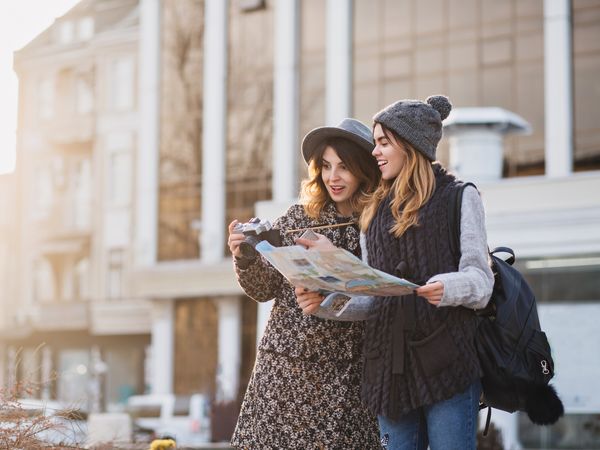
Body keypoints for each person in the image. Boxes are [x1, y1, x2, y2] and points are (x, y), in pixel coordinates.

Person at [296, 96, 494, 450]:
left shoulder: (460, 197)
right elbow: (376, 298)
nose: (375, 152)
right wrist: (327, 302)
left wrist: (446, 287)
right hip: (389, 372)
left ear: (411, 145)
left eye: (384, 142)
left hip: (447, 365)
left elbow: (481, 282)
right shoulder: (373, 213)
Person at [228, 118, 382, 449]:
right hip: (285, 368)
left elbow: (380, 290)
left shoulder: (377, 222)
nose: (333, 177)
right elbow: (264, 289)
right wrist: (245, 256)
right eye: (325, 166)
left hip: (346, 373)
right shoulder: (299, 217)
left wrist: (334, 284)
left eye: (344, 167)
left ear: (364, 169)